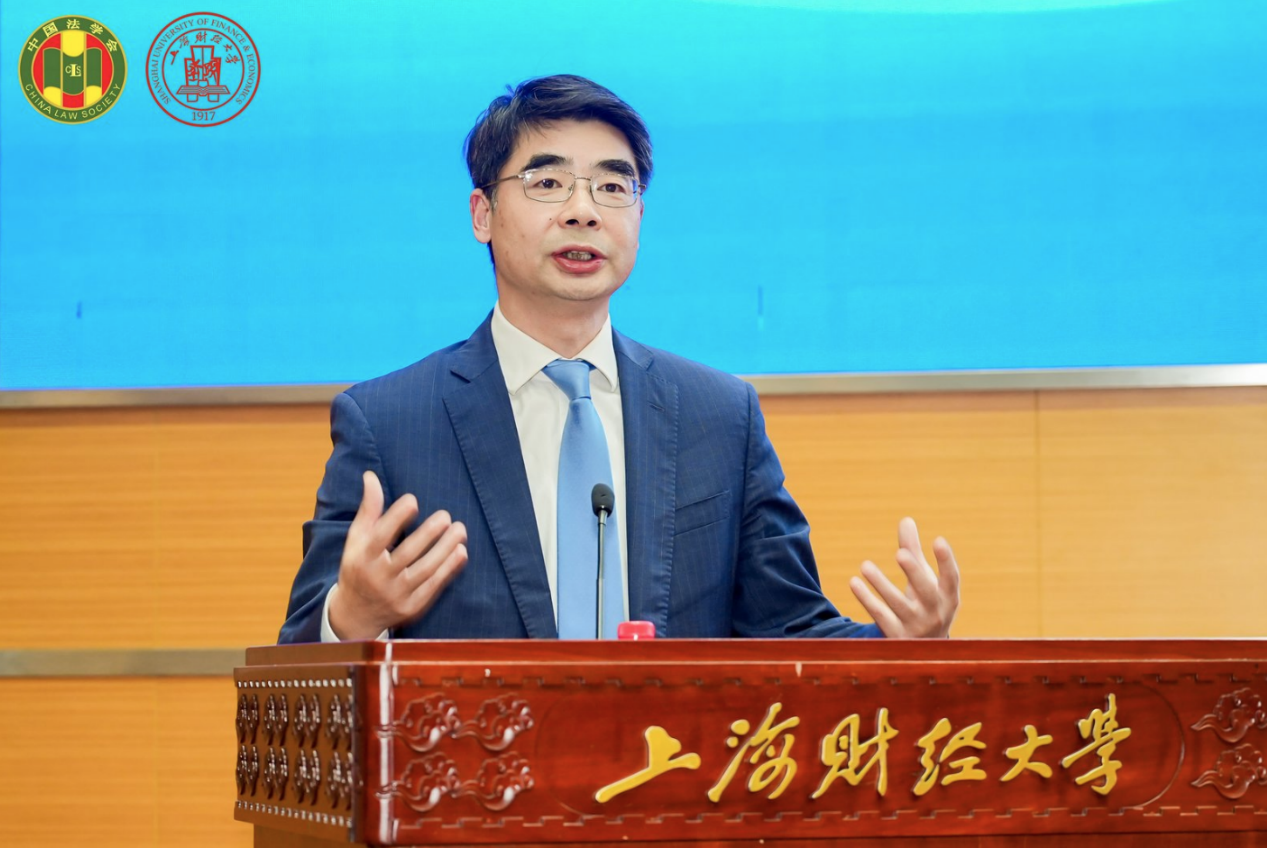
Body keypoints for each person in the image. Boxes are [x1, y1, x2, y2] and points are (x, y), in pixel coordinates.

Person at [278, 75, 959, 644]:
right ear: (482, 214)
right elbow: (301, 655)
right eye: (548, 183)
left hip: (672, 764)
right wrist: (352, 617)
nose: (583, 211)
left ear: (638, 216)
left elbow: (787, 631)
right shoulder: (391, 422)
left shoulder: (719, 416)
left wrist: (897, 648)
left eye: (612, 187)